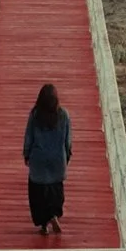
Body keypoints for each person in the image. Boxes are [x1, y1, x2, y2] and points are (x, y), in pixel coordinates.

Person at [23, 83, 72, 235]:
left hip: (38, 160)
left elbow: (29, 138)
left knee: (37, 193)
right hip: (57, 160)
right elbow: (67, 140)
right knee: (55, 191)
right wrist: (67, 156)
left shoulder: (35, 115)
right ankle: (54, 214)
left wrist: (26, 154)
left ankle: (44, 225)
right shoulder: (63, 115)